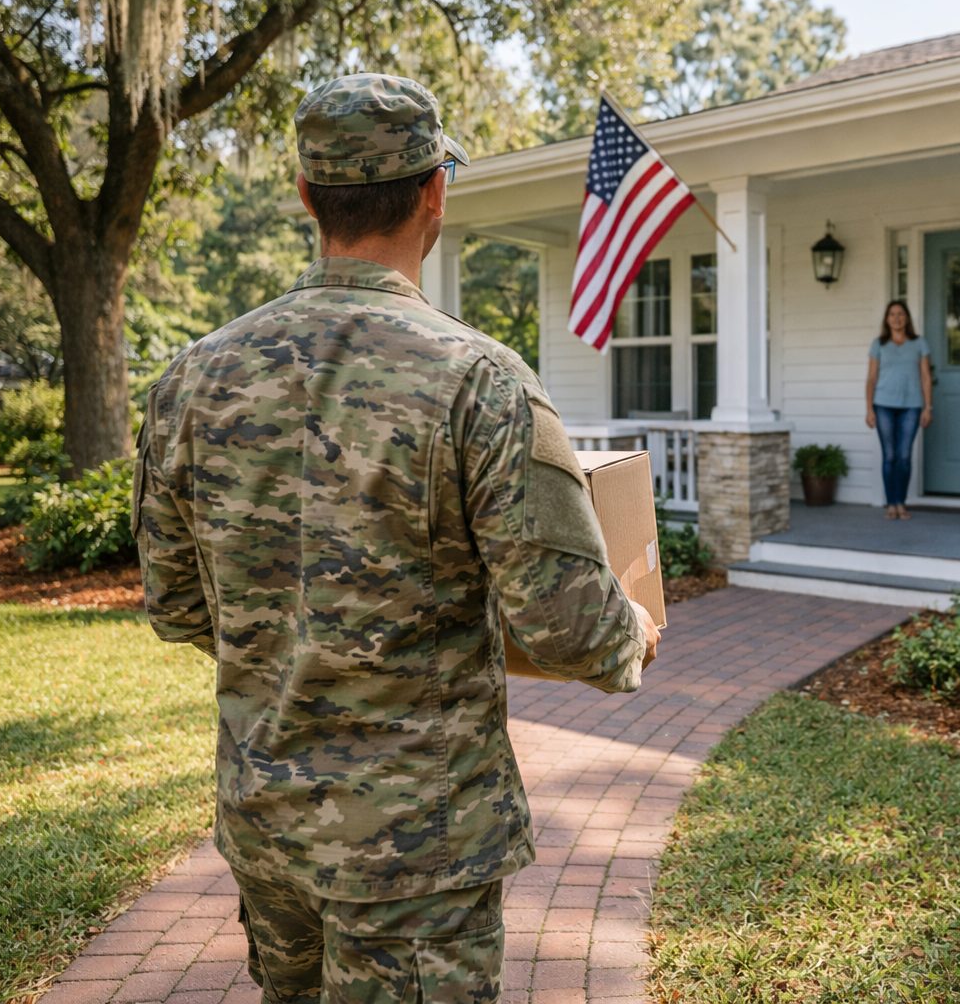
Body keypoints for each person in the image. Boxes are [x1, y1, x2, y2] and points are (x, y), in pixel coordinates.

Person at [133, 73, 660, 1004]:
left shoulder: (190, 380)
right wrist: (633, 636)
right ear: (435, 194)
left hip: (268, 824)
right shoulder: (480, 380)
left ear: (306, 198)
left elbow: (178, 607)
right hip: (420, 849)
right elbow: (568, 622)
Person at [864, 299, 933, 519]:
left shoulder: (919, 343)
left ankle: (901, 503)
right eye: (892, 314)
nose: (896, 318)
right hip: (883, 404)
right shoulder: (879, 344)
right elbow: (871, 378)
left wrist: (928, 407)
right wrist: (869, 409)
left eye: (900, 314)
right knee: (890, 455)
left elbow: (925, 377)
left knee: (904, 456)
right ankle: (891, 504)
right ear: (887, 319)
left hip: (911, 406)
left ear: (907, 318)